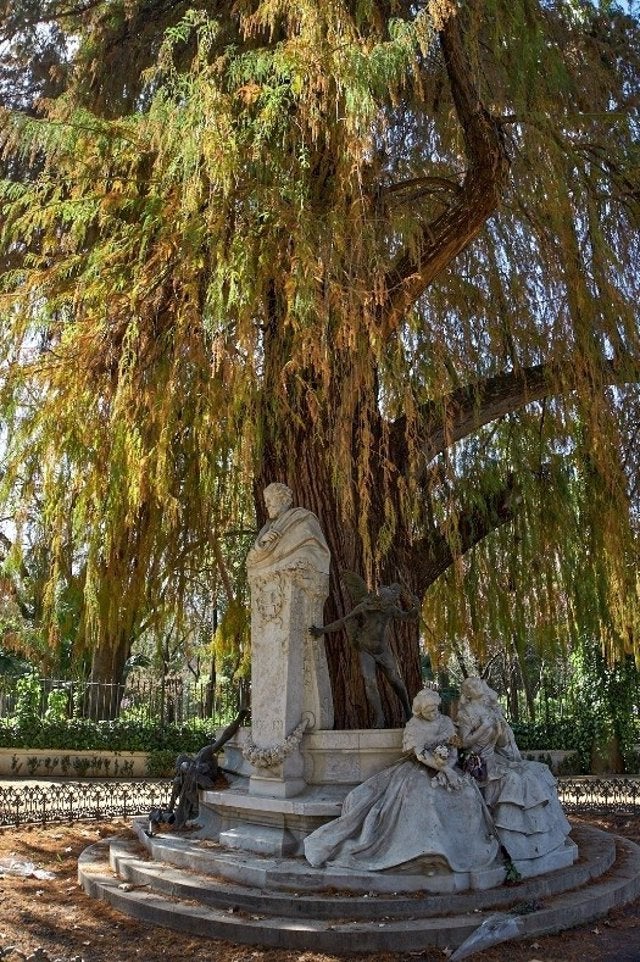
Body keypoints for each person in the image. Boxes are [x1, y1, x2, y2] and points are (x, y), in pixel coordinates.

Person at [304, 688, 499, 874]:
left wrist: (450, 766)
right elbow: (420, 755)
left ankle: (459, 849)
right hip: (419, 769)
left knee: (466, 793)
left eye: (435, 709)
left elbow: (454, 748)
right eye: (428, 711)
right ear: (420, 711)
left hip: (447, 767)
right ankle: (425, 851)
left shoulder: (446, 722)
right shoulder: (414, 726)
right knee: (424, 797)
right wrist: (443, 768)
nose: (433, 713)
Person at [457, 677, 571, 863]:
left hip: (495, 758)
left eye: (478, 683)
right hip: (478, 762)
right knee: (513, 779)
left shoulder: (491, 711)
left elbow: (501, 743)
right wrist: (483, 728)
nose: (477, 686)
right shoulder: (466, 713)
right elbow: (464, 742)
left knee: (533, 773)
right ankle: (510, 836)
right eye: (472, 686)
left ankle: (539, 837)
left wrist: (500, 732)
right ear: (467, 693)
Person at [310, 580, 415, 726]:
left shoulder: (390, 609)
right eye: (387, 601)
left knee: (395, 681)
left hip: (383, 651)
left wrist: (415, 609)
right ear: (379, 599)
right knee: (370, 682)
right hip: (365, 649)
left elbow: (408, 617)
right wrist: (322, 630)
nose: (389, 604)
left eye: (392, 601)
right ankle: (380, 717)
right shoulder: (364, 607)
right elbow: (343, 621)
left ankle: (408, 710)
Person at [247, 482, 330, 576]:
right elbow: (252, 559)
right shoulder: (267, 527)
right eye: (266, 501)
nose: (267, 505)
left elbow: (312, 549)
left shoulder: (303, 518)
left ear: (282, 498)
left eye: (269, 500)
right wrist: (262, 541)